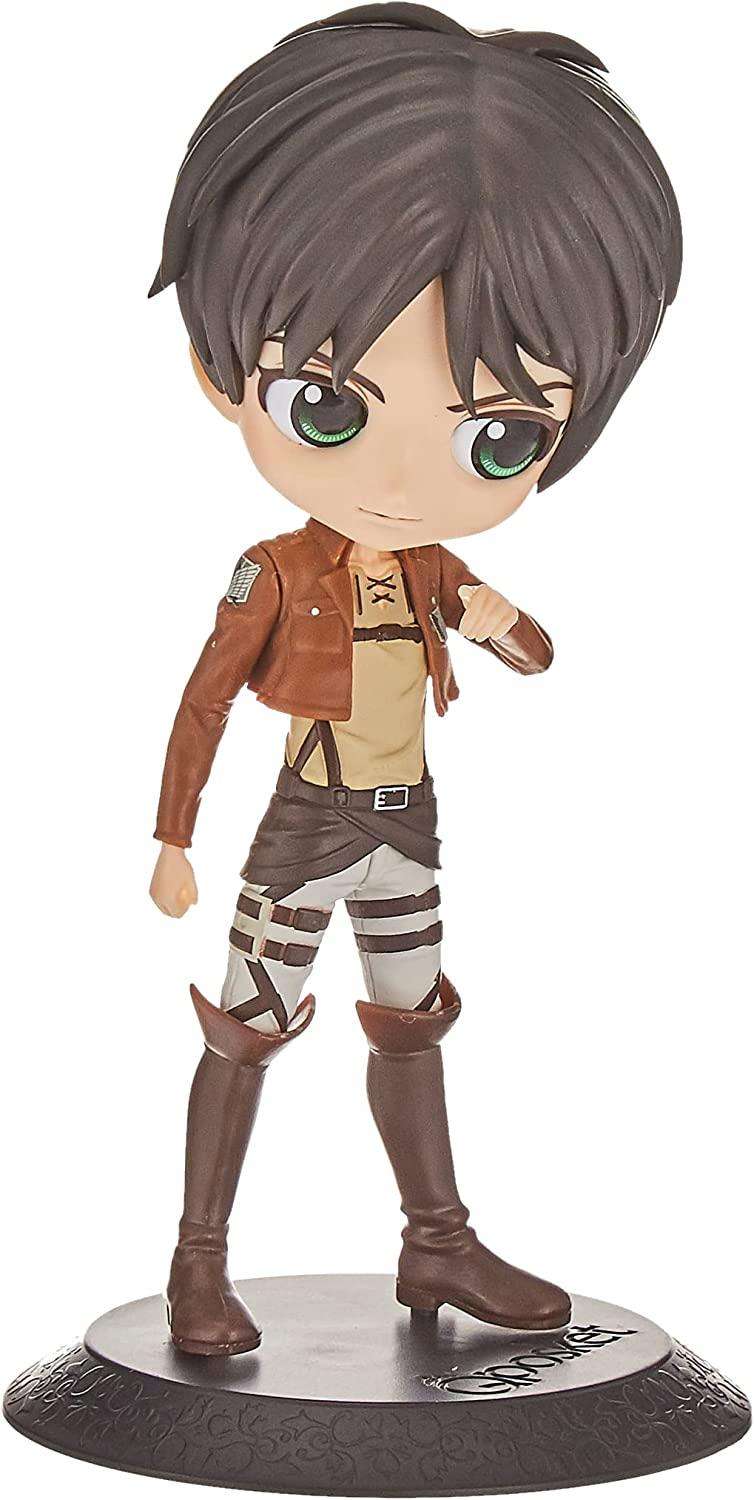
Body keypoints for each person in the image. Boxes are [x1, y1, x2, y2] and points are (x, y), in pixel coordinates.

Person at [149, 4, 682, 1355]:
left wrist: (500, 619)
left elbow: (535, 653)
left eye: (497, 436)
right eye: (328, 407)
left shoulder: (438, 568)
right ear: (224, 369)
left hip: (408, 822)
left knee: (411, 1020)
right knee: (247, 1027)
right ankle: (199, 1265)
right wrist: (171, 838)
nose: (399, 481)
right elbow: (204, 700)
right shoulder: (275, 571)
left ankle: (435, 1241)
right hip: (307, 821)